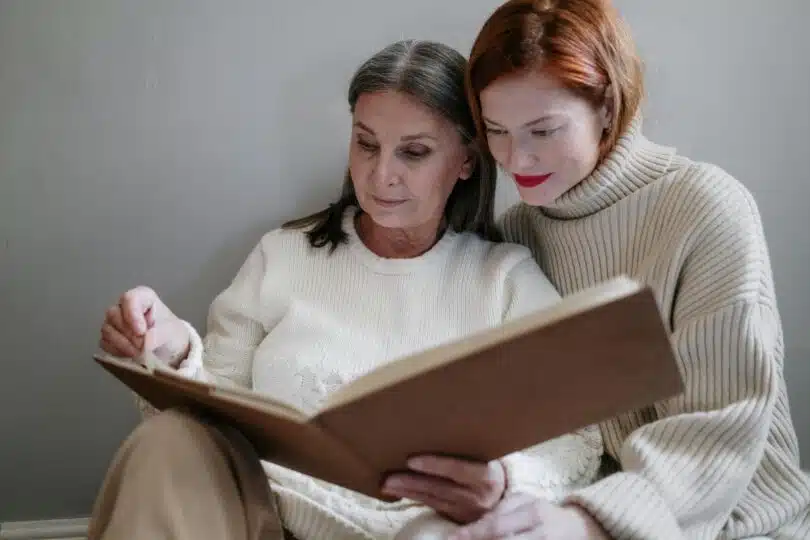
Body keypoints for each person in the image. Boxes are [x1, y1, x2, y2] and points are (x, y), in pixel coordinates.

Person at [91, 39, 604, 540]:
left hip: (426, 527)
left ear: (467, 160)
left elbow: (578, 439)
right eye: (366, 143)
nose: (382, 175)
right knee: (168, 441)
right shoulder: (283, 256)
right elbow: (212, 415)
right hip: (263, 513)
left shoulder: (505, 279)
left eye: (415, 152)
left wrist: (502, 480)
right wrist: (170, 347)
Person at [447, 1, 810, 539]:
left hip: (743, 523)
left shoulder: (705, 207)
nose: (515, 159)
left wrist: (588, 521)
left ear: (609, 110)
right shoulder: (520, 230)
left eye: (543, 131)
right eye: (496, 130)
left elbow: (720, 423)